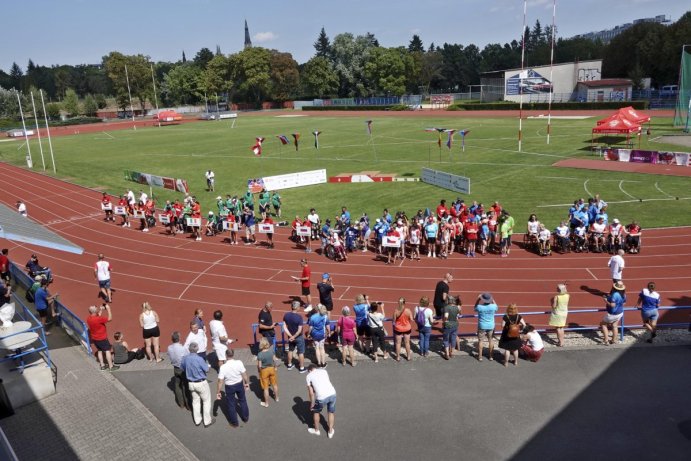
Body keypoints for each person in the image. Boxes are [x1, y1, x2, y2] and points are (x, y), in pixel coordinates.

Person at [182, 342, 215, 428]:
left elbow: (182, 367)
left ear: (189, 349)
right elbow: (206, 369)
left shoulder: (185, 358)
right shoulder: (199, 359)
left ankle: (197, 420)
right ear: (197, 349)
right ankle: (207, 421)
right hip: (201, 383)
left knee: (195, 402)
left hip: (191, 383)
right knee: (206, 401)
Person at [306, 364, 337, 438]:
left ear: (309, 370)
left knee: (316, 412)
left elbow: (311, 393)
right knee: (330, 412)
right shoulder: (324, 371)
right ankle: (330, 432)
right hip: (332, 393)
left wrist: (312, 404)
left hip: (321, 397)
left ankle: (316, 430)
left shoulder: (308, 376)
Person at [86, 304, 119, 371]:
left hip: (95, 338)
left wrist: (101, 310)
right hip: (102, 338)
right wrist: (108, 309)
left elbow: (97, 315)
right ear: (95, 311)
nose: (97, 307)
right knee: (107, 350)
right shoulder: (99, 319)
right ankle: (111, 366)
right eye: (96, 307)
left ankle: (102, 365)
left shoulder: (89, 318)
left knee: (100, 351)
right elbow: (110, 318)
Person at [167, 331, 190, 410]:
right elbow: (188, 357)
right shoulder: (183, 348)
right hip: (183, 369)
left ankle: (181, 403)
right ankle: (188, 405)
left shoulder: (169, 347)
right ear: (179, 338)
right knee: (185, 386)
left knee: (177, 386)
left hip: (175, 368)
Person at [601, 281, 627, 345]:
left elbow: (612, 305)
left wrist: (605, 300)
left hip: (612, 313)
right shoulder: (624, 294)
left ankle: (606, 340)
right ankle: (614, 340)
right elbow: (624, 303)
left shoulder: (615, 294)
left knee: (603, 324)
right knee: (615, 326)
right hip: (620, 312)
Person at [283, 301, 306, 372]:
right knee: (301, 352)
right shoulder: (299, 317)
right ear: (298, 308)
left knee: (290, 350)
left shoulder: (286, 315)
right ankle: (302, 368)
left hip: (290, 337)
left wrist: (290, 336)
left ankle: (289, 365)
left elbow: (284, 327)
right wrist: (294, 336)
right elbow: (299, 330)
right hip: (298, 337)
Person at [475, 292, 498, 361]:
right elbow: (496, 306)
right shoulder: (493, 307)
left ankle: (480, 357)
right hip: (491, 325)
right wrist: (492, 299)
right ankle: (491, 356)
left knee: (480, 340)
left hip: (482, 325)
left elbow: (475, 308)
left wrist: (478, 300)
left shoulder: (480, 307)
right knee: (490, 340)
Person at [256, 338, 279, 407]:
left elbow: (259, 366)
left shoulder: (260, 354)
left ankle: (266, 403)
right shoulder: (271, 351)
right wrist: (275, 367)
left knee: (265, 388)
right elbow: (275, 360)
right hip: (272, 369)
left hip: (264, 371)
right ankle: (277, 398)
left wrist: (259, 371)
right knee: (274, 384)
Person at [392, 297, 413, 362]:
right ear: (404, 303)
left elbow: (394, 321)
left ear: (398, 303)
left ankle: (398, 357)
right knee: (407, 343)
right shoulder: (408, 310)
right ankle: (408, 356)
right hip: (407, 328)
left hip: (398, 328)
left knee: (398, 343)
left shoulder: (396, 311)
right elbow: (411, 319)